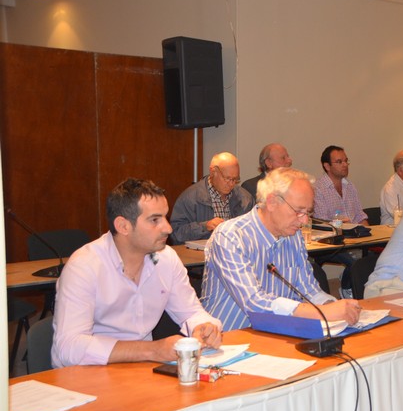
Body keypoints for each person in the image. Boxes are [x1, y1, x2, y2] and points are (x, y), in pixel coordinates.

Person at [51, 178, 222, 368]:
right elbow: (69, 348)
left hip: (139, 368)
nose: (168, 228)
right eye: (155, 220)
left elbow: (191, 312)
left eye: (165, 217)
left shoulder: (166, 258)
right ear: (123, 226)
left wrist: (204, 327)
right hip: (86, 372)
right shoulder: (84, 266)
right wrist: (152, 350)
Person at [202, 168, 361, 331]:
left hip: (277, 334)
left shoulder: (293, 235)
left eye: (308, 212)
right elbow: (254, 303)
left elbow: (308, 289)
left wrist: (334, 306)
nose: (304, 221)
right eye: (298, 211)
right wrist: (323, 313)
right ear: (272, 202)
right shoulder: (230, 236)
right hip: (229, 338)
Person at [313, 145, 369, 298]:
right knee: (355, 261)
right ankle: (346, 287)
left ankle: (351, 280)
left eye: (346, 161)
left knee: (371, 257)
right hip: (330, 241)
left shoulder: (350, 186)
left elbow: (359, 214)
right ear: (327, 166)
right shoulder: (319, 188)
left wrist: (368, 232)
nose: (344, 164)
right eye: (339, 162)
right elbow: (322, 223)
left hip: (353, 237)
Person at [170, 152, 253, 245]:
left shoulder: (245, 199)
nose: (231, 184)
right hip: (201, 253)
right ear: (213, 172)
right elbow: (175, 234)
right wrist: (205, 227)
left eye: (235, 179)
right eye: (227, 178)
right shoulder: (190, 198)